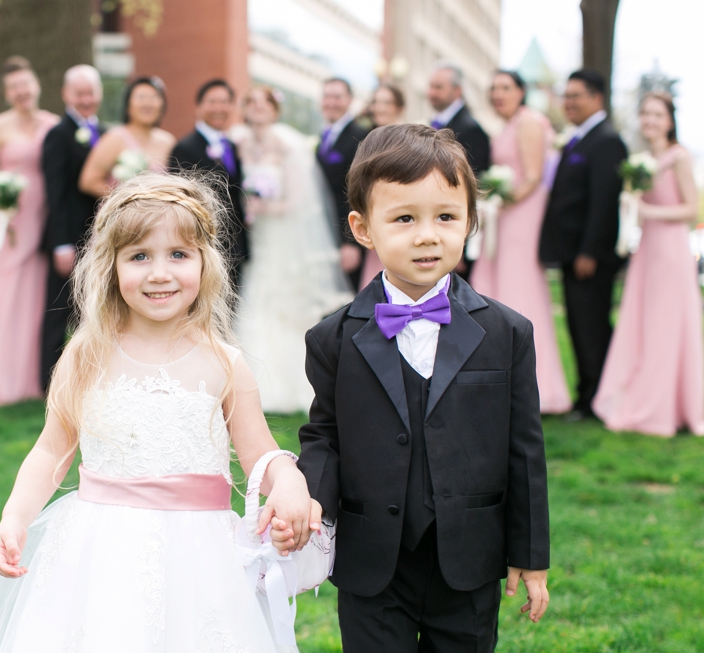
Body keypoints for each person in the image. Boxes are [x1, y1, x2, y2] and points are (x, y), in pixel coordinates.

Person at [0, 173, 318, 652]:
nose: (159, 273)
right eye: (140, 256)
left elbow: (259, 454)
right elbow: (51, 450)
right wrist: (15, 516)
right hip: (97, 550)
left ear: (205, 263)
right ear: (111, 266)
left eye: (178, 255)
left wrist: (290, 483)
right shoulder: (86, 353)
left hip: (197, 557)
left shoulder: (223, 363)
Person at [295, 125, 550, 652]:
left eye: (446, 217)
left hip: (469, 559)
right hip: (372, 564)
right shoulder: (333, 338)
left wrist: (530, 556)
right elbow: (325, 437)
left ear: (470, 223)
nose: (427, 234)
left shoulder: (507, 333)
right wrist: (311, 506)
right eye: (405, 218)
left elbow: (524, 451)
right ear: (363, 228)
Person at [592, 93, 704, 437]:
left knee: (665, 325)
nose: (650, 120)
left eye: (657, 114)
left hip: (671, 251)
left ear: (669, 121)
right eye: (645, 114)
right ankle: (638, 396)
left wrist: (648, 213)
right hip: (646, 251)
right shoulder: (641, 161)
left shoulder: (679, 158)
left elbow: (690, 210)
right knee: (642, 322)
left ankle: (666, 407)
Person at [232, 85, 352, 414]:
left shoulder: (287, 143)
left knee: (282, 301)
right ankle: (248, 381)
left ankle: (288, 385)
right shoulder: (240, 142)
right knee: (255, 296)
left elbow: (298, 200)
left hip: (282, 235)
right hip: (256, 237)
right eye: (251, 101)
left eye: (264, 103)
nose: (257, 108)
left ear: (274, 110)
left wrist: (262, 208)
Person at [469, 71, 571, 414]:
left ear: (520, 92)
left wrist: (500, 198)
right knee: (496, 290)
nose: (498, 94)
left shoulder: (529, 122)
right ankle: (498, 381)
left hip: (523, 215)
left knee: (520, 291)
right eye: (493, 88)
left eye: (505, 88)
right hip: (503, 215)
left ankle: (537, 386)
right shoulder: (507, 125)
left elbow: (533, 176)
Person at [0, 56, 59, 407]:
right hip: (13, 222)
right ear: (7, 93)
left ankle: (31, 379)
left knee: (36, 298)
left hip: (44, 220)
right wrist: (0, 201)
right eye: (14, 87)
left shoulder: (53, 124)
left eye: (26, 84)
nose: (22, 92)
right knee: (5, 294)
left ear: (36, 86)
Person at [539, 69, 628, 420]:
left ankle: (594, 400)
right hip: (570, 252)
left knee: (591, 327)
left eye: (576, 96)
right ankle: (587, 395)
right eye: (567, 96)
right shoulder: (577, 139)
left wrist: (589, 251)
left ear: (597, 98)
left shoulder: (607, 141)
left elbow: (603, 203)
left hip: (589, 256)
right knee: (578, 326)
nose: (569, 103)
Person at [40, 64, 105, 391]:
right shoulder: (57, 134)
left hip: (103, 240)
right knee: (58, 311)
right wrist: (61, 243)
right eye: (79, 93)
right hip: (69, 239)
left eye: (91, 92)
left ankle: (87, 381)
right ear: (66, 95)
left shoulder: (107, 134)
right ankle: (49, 385)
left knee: (93, 313)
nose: (86, 99)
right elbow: (56, 193)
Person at [168, 79, 248, 291]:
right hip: (208, 244)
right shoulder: (185, 148)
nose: (219, 108)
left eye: (225, 102)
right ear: (199, 107)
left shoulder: (232, 146)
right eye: (212, 102)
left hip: (237, 246)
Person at [428, 62, 491, 281]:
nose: (431, 93)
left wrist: (461, 244)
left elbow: (470, 189)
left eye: (438, 87)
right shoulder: (434, 124)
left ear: (457, 91)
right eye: (431, 87)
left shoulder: (471, 130)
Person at [79, 76, 174, 197]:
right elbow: (88, 182)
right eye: (141, 97)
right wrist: (125, 199)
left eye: (153, 97)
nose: (147, 103)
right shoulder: (113, 138)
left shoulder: (168, 141)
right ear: (128, 106)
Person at [316, 77, 370, 289]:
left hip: (347, 236)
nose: (331, 102)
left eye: (337, 97)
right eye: (327, 96)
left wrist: (351, 243)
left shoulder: (360, 137)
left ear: (349, 100)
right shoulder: (324, 137)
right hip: (325, 234)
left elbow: (360, 193)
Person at [358, 83, 406, 290]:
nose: (380, 107)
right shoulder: (366, 140)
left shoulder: (406, 140)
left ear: (398, 107)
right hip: (374, 220)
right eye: (376, 102)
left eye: (386, 102)